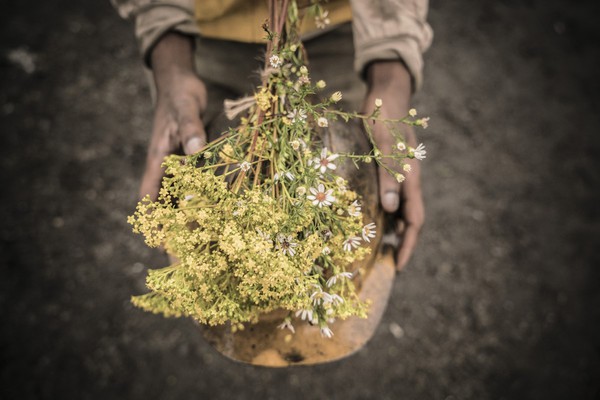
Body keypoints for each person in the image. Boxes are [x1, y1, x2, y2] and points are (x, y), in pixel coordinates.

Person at [112, 0, 433, 271]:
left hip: (347, 28)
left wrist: (390, 61)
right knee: (214, 223)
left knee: (338, 225)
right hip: (198, 34)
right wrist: (167, 43)